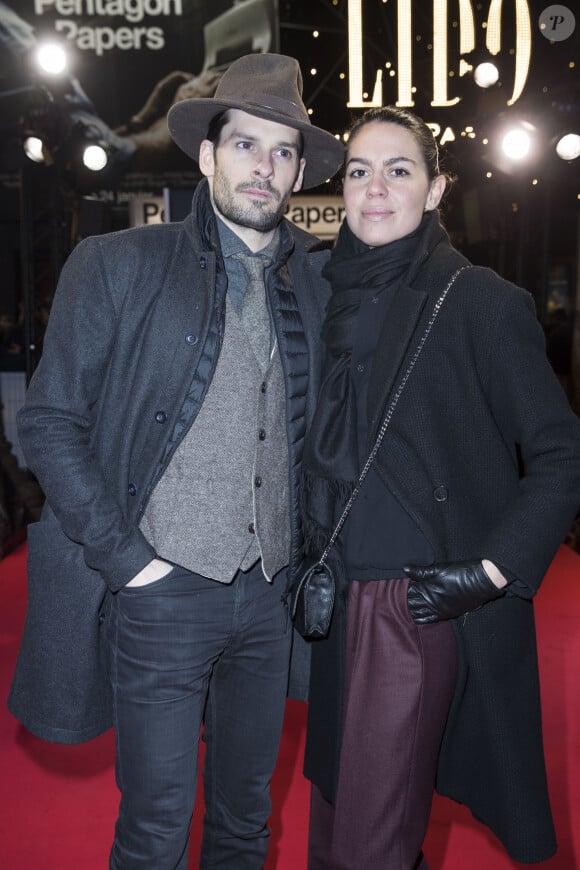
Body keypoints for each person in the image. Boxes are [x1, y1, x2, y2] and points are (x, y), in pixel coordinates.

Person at [8, 52, 344, 869]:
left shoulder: (323, 285)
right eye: (245, 146)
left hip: (269, 599)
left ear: (300, 171)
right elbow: (48, 423)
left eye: (282, 151)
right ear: (206, 155)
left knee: (243, 819)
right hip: (162, 592)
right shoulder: (119, 266)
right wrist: (131, 564)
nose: (263, 169)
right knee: (156, 829)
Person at [299, 106, 580, 870]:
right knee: (334, 833)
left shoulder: (478, 300)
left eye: (400, 170)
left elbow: (562, 455)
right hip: (336, 600)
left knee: (371, 846)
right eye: (359, 171)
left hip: (416, 606)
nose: (376, 188)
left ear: (436, 188)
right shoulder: (329, 295)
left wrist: (490, 571)